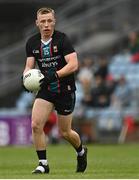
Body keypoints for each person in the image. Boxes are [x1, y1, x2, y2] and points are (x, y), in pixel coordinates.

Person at [22, 7, 87, 174]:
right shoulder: (32, 43)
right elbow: (29, 66)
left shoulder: (62, 40)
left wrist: (55, 75)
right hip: (46, 89)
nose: (46, 25)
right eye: (43, 21)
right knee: (36, 125)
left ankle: (81, 151)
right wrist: (25, 79)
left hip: (65, 89)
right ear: (37, 23)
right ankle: (43, 164)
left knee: (65, 132)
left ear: (54, 22)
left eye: (49, 21)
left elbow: (73, 64)